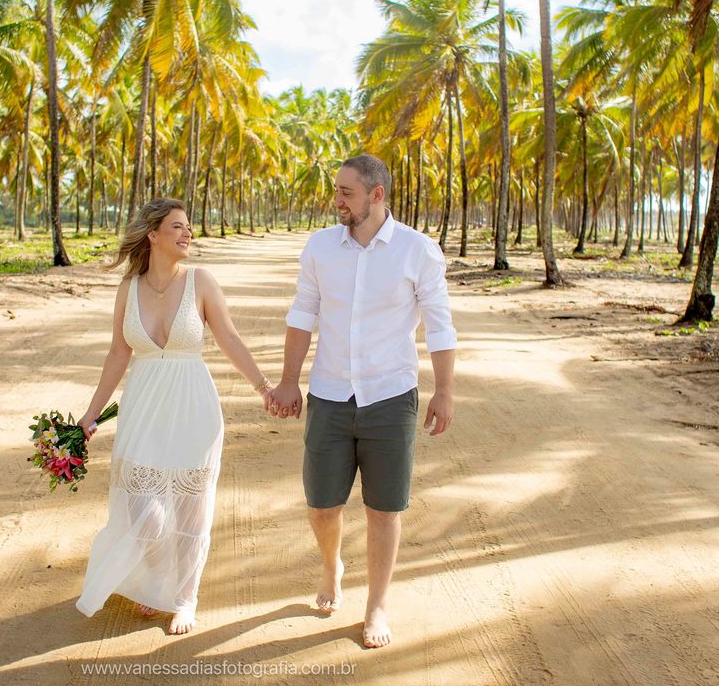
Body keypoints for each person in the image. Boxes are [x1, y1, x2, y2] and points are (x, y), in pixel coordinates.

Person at [266, 154, 457, 649]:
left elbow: (439, 325)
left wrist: (445, 389)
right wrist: (290, 381)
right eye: (336, 191)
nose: (337, 200)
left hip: (391, 397)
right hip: (329, 394)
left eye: (346, 192)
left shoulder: (418, 250)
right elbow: (303, 313)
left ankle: (376, 606)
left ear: (377, 195)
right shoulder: (321, 247)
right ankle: (332, 565)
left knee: (383, 509)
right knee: (321, 505)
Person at [75, 198, 273, 634]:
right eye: (177, 227)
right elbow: (117, 354)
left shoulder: (201, 281)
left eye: (188, 228)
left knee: (188, 509)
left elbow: (230, 339)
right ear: (152, 234)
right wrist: (89, 417)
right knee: (145, 510)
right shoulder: (128, 288)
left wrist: (264, 388)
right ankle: (156, 583)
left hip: (192, 406)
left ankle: (184, 598)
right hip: (143, 407)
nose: (187, 234)